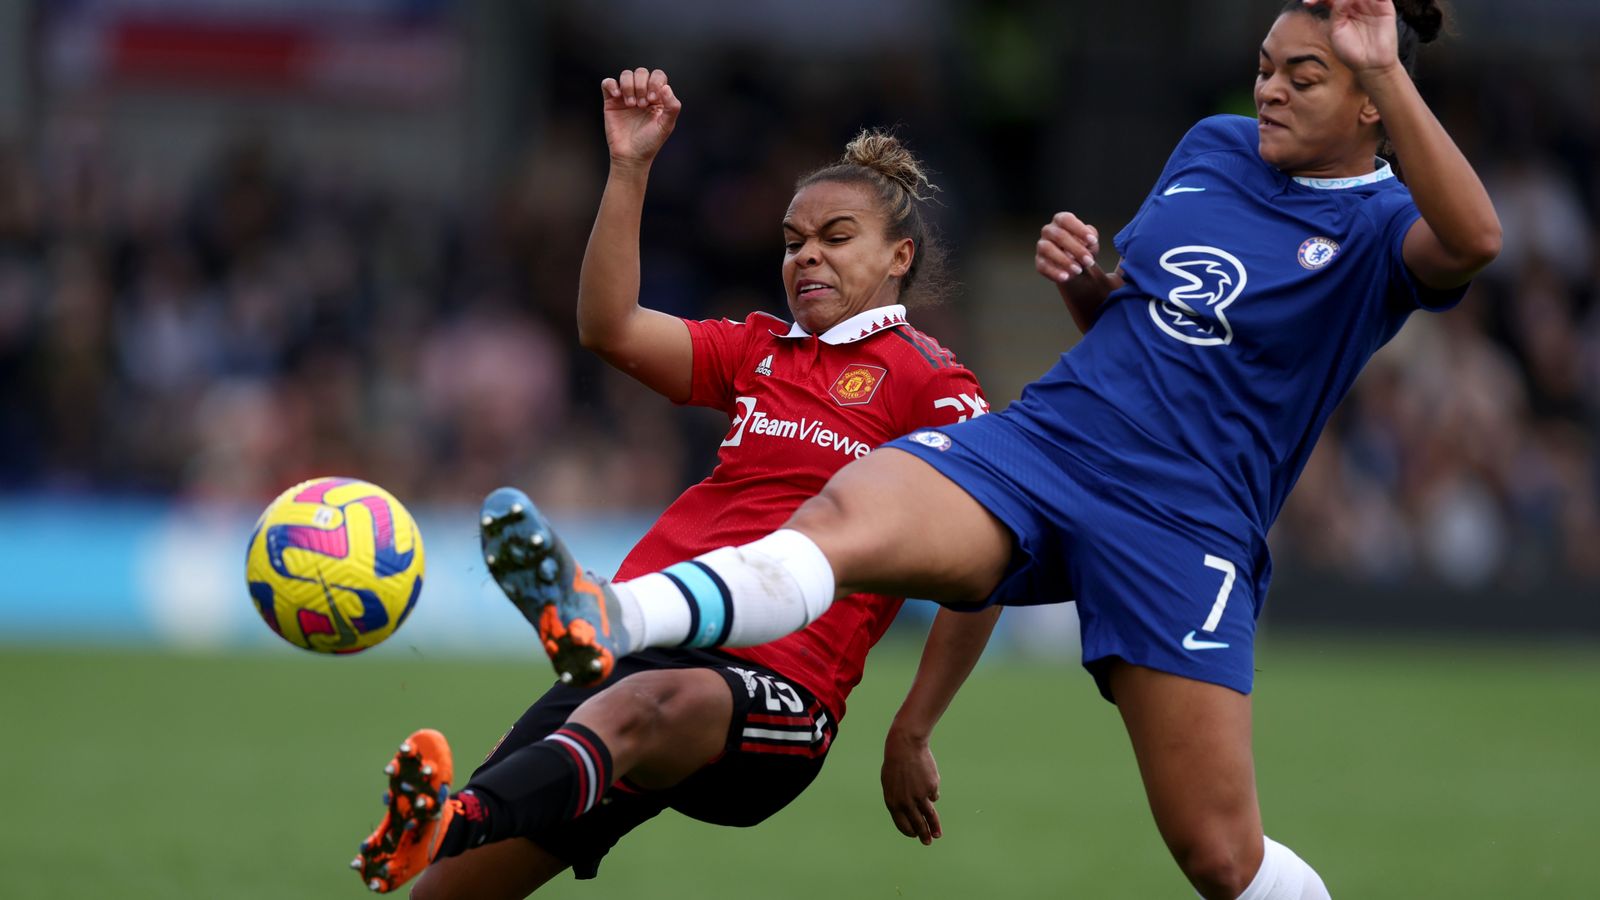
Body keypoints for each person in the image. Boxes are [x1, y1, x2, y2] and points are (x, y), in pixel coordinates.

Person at [504, 2, 1502, 898]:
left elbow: (1474, 242)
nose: (1268, 89)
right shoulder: (1213, 147)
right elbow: (1167, 329)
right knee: (847, 513)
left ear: (1370, 101)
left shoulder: (1382, 227)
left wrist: (1387, 67)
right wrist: (1092, 299)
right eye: (1265, 65)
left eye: (1303, 76)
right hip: (1057, 438)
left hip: (1183, 519)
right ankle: (610, 612)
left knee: (1218, 855)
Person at [351, 66, 1000, 897]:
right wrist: (629, 167)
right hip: (636, 657)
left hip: (778, 692)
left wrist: (912, 728)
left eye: (835, 237)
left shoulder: (931, 384)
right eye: (793, 240)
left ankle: (450, 818)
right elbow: (608, 326)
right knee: (448, 892)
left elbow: (989, 558)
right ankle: (454, 828)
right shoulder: (758, 348)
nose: (806, 255)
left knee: (634, 710)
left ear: (898, 256)